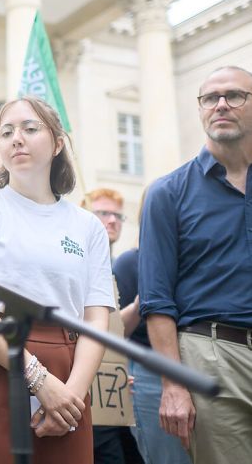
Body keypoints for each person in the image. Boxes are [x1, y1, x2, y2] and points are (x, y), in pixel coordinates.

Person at [0, 96, 114, 464]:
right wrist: (37, 378)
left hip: (68, 374)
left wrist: (71, 396)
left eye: (30, 128)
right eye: (5, 132)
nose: (16, 138)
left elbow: (97, 318)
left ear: (57, 142)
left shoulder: (88, 226)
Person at [139, 66, 252, 463]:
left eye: (234, 95)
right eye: (210, 98)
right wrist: (174, 384)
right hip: (213, 355)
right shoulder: (168, 193)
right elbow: (156, 299)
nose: (221, 105)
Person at [111, 191, 191, 464]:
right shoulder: (129, 263)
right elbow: (112, 332)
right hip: (148, 373)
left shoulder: (193, 260)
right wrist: (138, 306)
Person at [81, 188, 144, 464]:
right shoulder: (77, 264)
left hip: (114, 389)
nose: (112, 220)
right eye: (103, 213)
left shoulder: (118, 264)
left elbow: (118, 331)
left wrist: (116, 368)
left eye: (117, 215)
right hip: (86, 389)